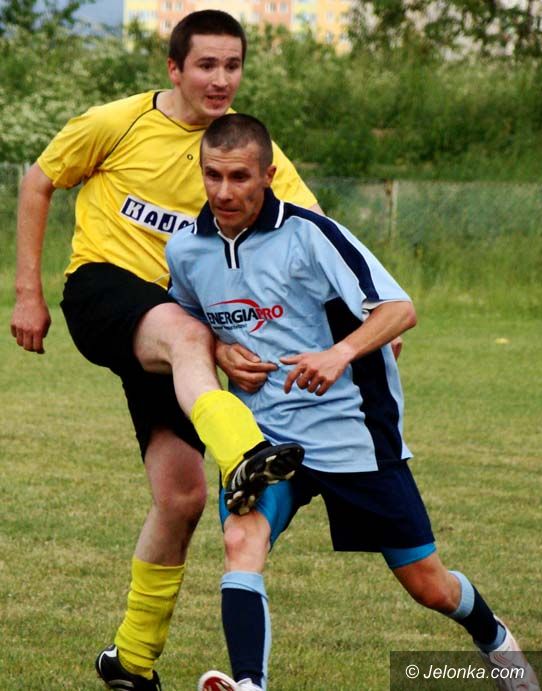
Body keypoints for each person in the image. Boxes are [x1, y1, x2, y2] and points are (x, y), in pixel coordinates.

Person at [165, 113, 540, 691]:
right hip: (262, 439)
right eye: (213, 175)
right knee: (242, 541)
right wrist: (218, 349)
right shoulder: (187, 249)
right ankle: (250, 684)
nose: (224, 192)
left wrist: (339, 353)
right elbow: (185, 327)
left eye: (239, 177)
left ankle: (497, 642)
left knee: (428, 585)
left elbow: (398, 309)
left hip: (351, 431)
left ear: (268, 175)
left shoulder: (311, 235)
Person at [9, 11, 324, 690]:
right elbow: (38, 180)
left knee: (181, 497)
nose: (220, 79)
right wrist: (27, 292)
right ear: (174, 68)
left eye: (232, 66)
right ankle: (245, 452)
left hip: (179, 329)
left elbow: (316, 232)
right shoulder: (117, 123)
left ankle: (130, 659)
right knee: (190, 335)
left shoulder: (246, 149)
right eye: (206, 65)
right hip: (102, 292)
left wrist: (364, 317)